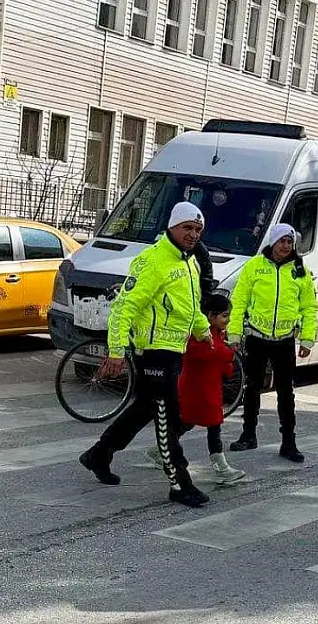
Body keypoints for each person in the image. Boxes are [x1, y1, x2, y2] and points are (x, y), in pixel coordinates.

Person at [78, 202, 214, 508]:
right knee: (167, 414)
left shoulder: (189, 262)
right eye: (187, 228)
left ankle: (98, 455)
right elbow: (124, 308)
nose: (193, 235)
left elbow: (190, 307)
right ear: (172, 227)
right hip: (152, 352)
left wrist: (204, 332)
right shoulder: (153, 261)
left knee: (143, 409)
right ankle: (180, 483)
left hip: (173, 350)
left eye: (198, 230)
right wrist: (116, 350)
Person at [227, 223, 318, 463]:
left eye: (289, 242)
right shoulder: (254, 267)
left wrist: (307, 338)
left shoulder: (299, 271)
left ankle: (288, 442)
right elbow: (239, 301)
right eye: (281, 242)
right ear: (273, 242)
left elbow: (309, 307)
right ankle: (248, 435)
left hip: (285, 341)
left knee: (286, 392)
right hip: (257, 338)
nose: (286, 246)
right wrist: (234, 335)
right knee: (252, 387)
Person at [145, 293, 246, 484]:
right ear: (210, 316)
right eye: (224, 315)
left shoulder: (213, 333)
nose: (228, 320)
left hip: (206, 388)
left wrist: (227, 364)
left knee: (189, 423)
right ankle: (221, 467)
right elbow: (210, 352)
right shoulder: (199, 335)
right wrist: (229, 355)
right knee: (210, 425)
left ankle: (159, 450)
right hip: (199, 389)